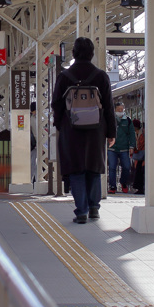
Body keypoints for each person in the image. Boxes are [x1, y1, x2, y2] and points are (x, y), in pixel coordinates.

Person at [51, 37, 116, 224]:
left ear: (74, 53)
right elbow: (109, 106)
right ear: (92, 53)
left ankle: (81, 211)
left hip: (71, 130)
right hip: (96, 130)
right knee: (93, 168)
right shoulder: (101, 76)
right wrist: (111, 132)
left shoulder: (65, 76)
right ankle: (94, 208)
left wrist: (60, 125)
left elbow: (56, 104)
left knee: (76, 169)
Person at [107, 101, 137, 193]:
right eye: (118, 109)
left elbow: (132, 134)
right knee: (112, 167)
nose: (120, 111)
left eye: (122, 109)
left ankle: (123, 182)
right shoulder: (110, 119)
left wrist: (132, 146)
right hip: (112, 148)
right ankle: (112, 186)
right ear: (114, 110)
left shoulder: (128, 120)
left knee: (126, 167)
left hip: (124, 148)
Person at [131, 118, 145, 195]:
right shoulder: (138, 134)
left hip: (142, 155)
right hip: (140, 155)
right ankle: (140, 188)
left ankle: (141, 188)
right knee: (139, 171)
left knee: (140, 171)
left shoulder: (142, 133)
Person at [30, 101, 38, 185]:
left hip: (31, 145)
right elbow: (35, 133)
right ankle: (32, 180)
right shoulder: (33, 119)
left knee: (34, 163)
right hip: (33, 145)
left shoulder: (30, 118)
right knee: (33, 163)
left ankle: (33, 180)